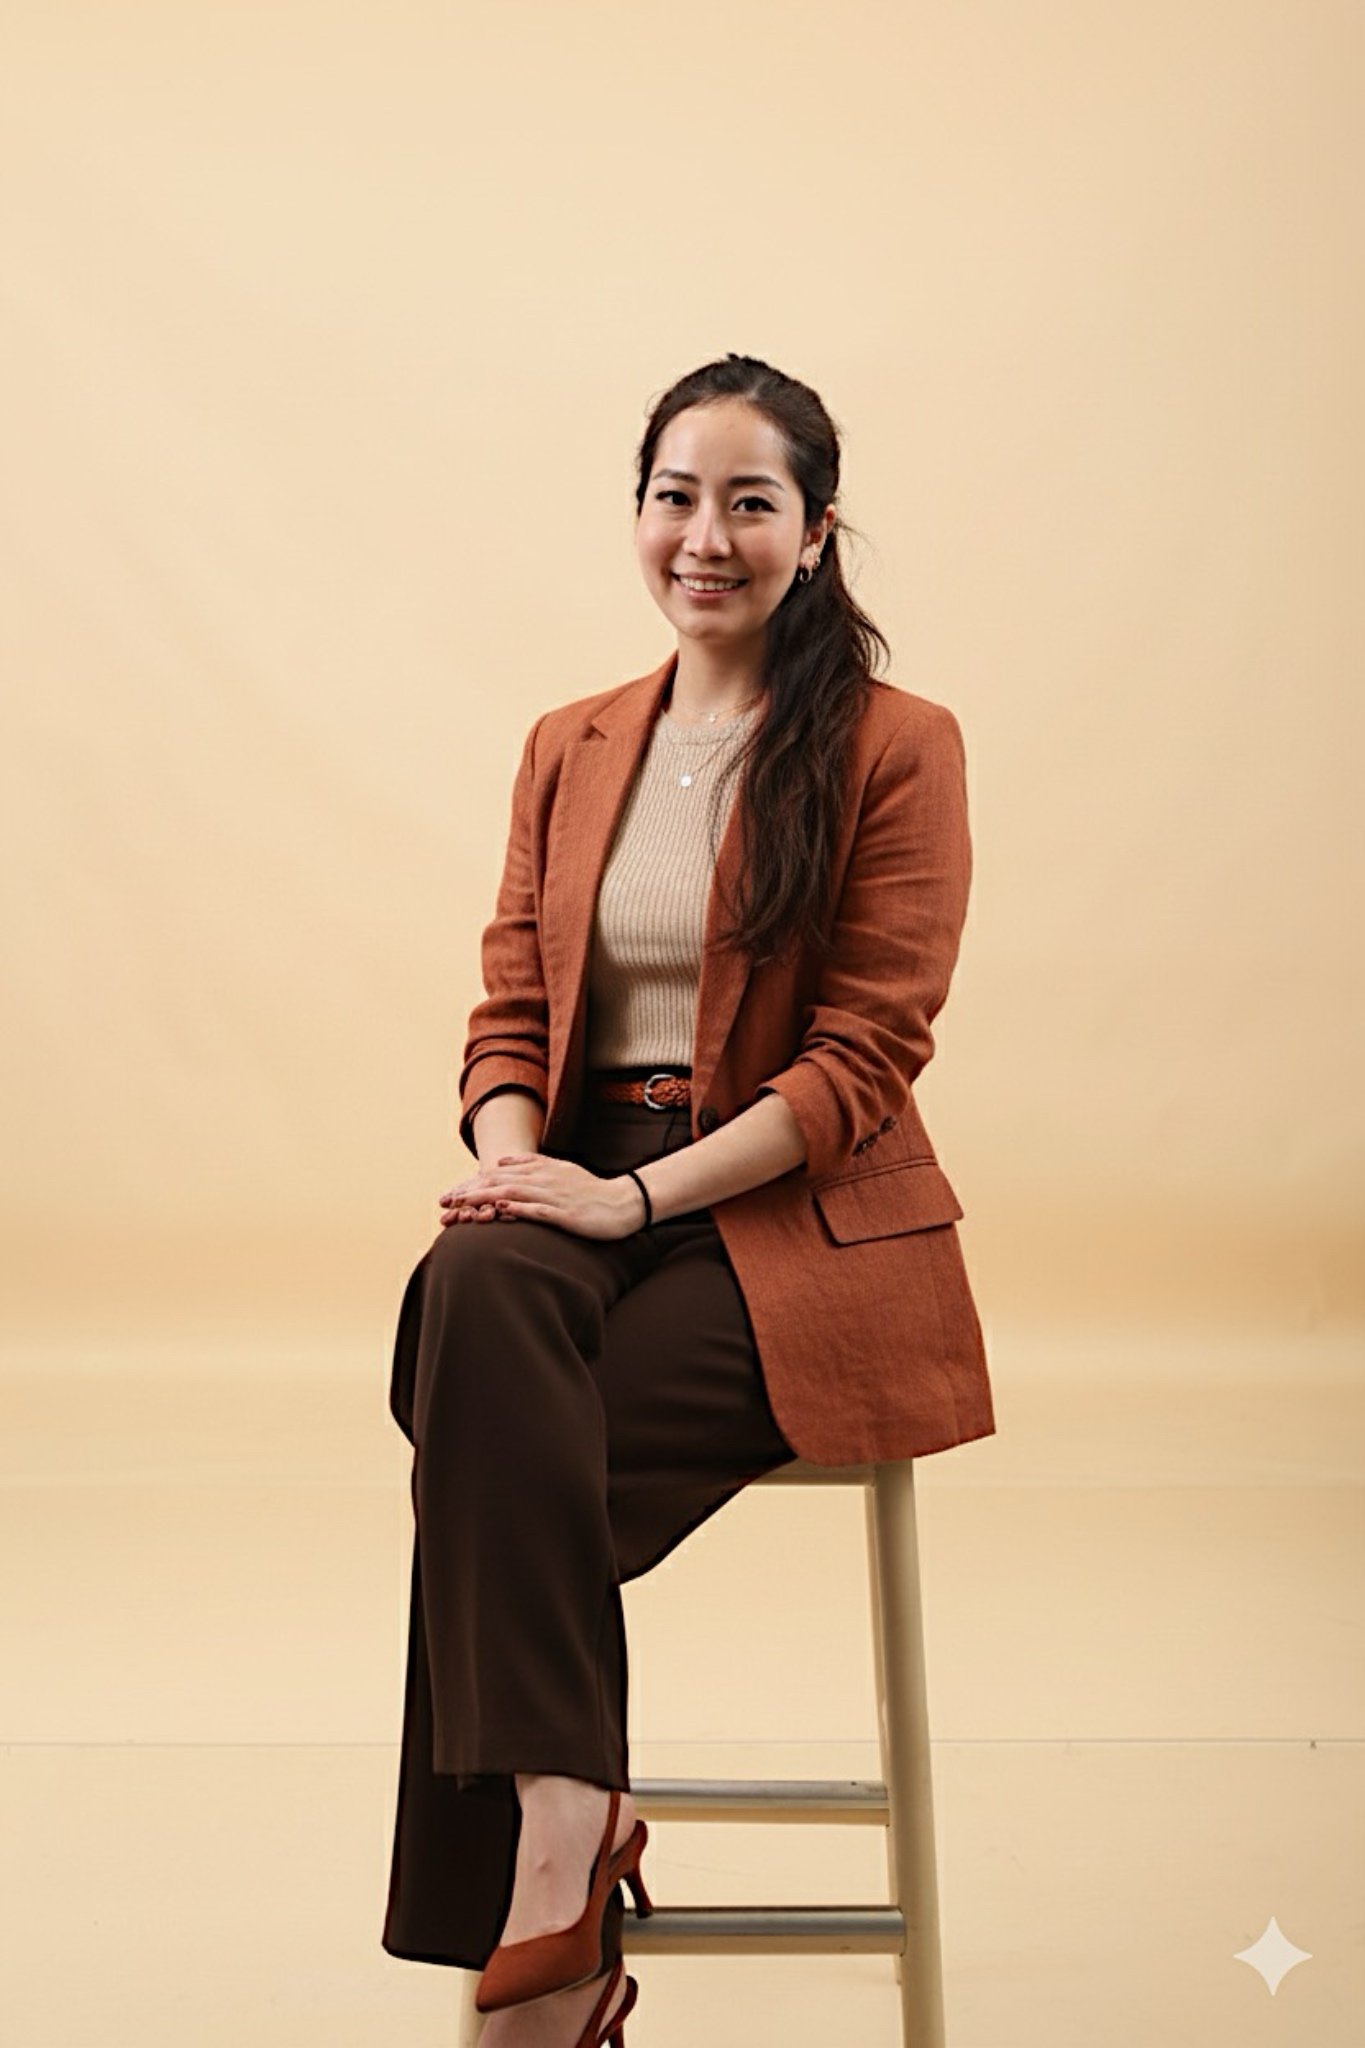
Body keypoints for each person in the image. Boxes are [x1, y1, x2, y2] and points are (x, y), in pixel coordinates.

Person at [381, 353, 995, 2047]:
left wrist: (634, 1207)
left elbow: (863, 1060)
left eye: (748, 501)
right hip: (586, 1177)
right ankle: (572, 1834)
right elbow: (510, 1004)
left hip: (791, 1220)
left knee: (489, 1453)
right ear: (637, 510)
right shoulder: (571, 742)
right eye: (674, 495)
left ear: (812, 530)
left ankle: (539, 1902)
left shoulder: (895, 745)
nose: (703, 536)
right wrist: (525, 1165)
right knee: (472, 1293)